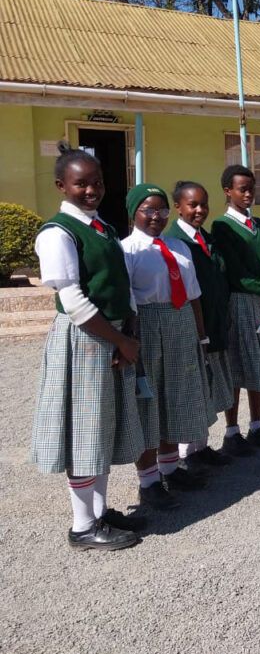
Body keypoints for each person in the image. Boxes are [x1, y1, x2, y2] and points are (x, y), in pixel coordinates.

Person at [31, 144, 145, 550]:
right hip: (85, 338)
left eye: (96, 181)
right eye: (81, 183)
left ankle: (98, 512)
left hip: (111, 336)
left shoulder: (104, 228)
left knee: (103, 427)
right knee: (84, 430)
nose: (91, 189)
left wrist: (128, 328)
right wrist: (120, 339)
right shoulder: (57, 233)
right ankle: (82, 525)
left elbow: (121, 285)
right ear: (62, 186)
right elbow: (73, 300)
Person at [122, 183, 210, 508]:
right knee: (149, 399)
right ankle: (148, 481)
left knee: (174, 395)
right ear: (134, 213)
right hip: (146, 325)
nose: (157, 216)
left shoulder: (178, 247)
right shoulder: (127, 250)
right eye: (149, 209)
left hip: (180, 323)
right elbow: (125, 301)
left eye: (162, 210)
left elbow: (194, 295)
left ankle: (171, 468)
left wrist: (201, 336)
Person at [211, 165, 260, 455]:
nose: (248, 194)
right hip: (241, 300)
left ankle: (257, 426)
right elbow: (234, 271)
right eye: (242, 189)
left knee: (259, 364)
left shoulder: (257, 225)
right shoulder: (223, 226)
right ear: (227, 191)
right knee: (238, 364)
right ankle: (232, 432)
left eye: (251, 189)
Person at [166, 181, 234, 469]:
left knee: (207, 385)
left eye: (203, 204)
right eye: (192, 205)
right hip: (192, 324)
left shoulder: (204, 238)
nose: (199, 210)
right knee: (190, 387)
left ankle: (201, 446)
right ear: (178, 207)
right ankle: (184, 454)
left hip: (214, 321)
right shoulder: (175, 242)